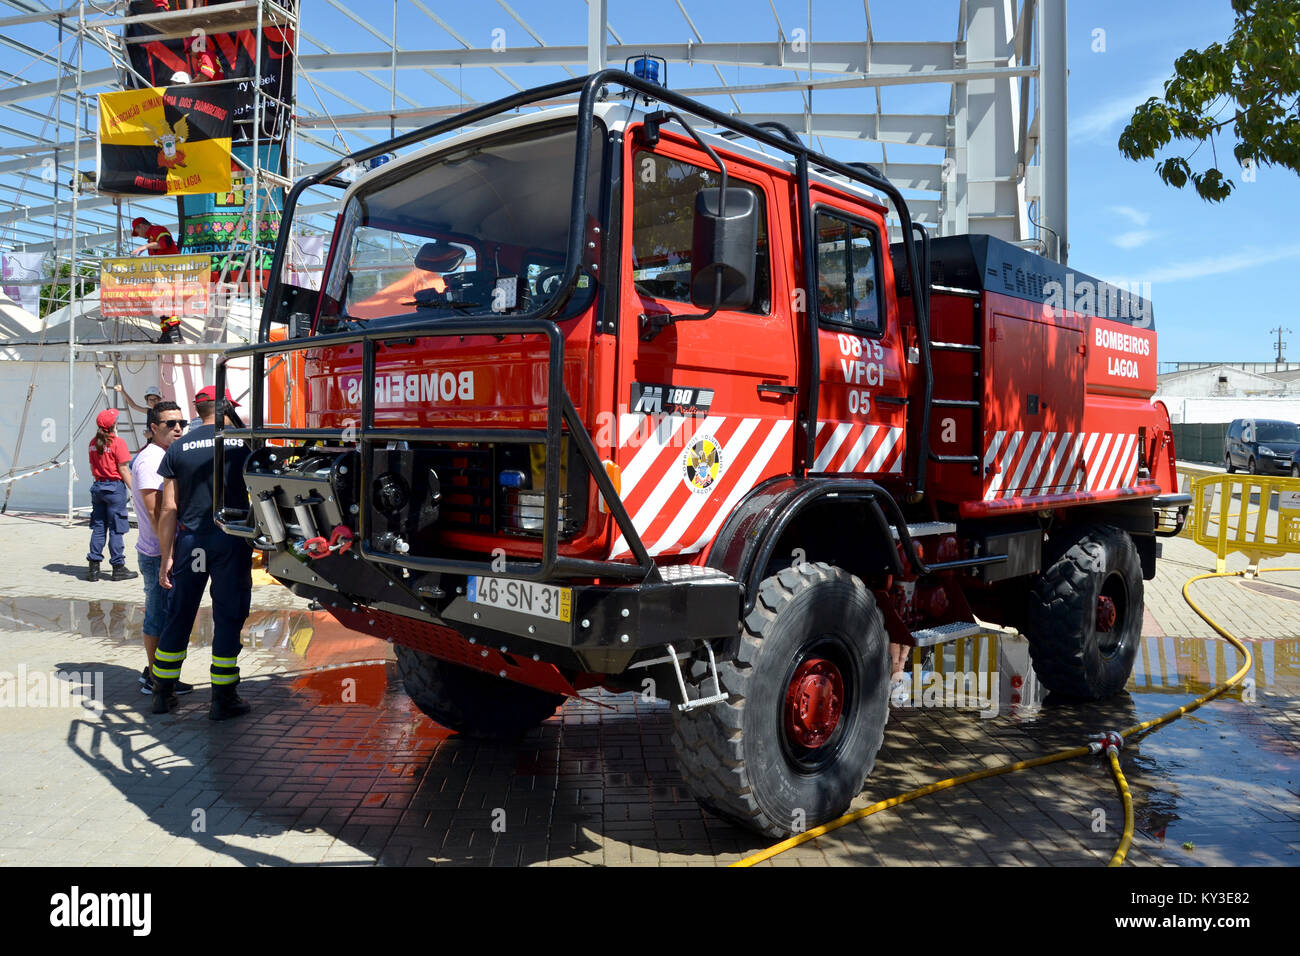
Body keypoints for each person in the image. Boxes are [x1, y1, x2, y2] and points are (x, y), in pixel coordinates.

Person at [153, 392, 254, 720]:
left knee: (180, 613)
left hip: (192, 543)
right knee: (228, 615)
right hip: (231, 539)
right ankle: (222, 699)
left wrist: (166, 557)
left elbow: (168, 508)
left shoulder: (178, 448)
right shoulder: (242, 443)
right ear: (225, 410)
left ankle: (162, 694)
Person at [130, 401, 194, 698]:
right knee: (157, 614)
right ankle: (155, 677)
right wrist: (167, 555)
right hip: (157, 553)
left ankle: (161, 673)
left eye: (181, 422)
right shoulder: (149, 460)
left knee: (167, 614)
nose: (178, 428)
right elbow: (157, 513)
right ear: (154, 428)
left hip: (165, 551)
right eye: (170, 424)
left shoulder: (167, 455)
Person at [86, 409, 140, 583]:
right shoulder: (117, 442)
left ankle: (93, 568)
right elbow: (124, 469)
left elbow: (92, 467)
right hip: (114, 488)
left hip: (98, 487)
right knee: (117, 528)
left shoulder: (93, 443)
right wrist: (136, 491)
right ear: (114, 425)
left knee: (99, 527)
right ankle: (118, 567)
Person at [131, 216, 183, 343]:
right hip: (163, 275)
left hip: (170, 273)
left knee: (167, 302)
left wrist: (144, 247)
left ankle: (173, 333)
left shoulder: (158, 230)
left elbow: (165, 243)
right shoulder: (151, 236)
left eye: (137, 231)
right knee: (161, 303)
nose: (139, 235)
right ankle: (168, 333)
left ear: (141, 226)